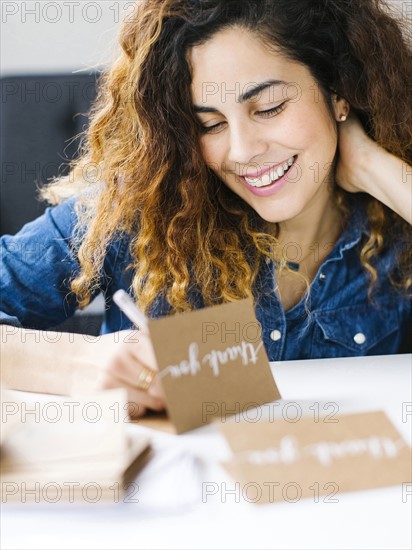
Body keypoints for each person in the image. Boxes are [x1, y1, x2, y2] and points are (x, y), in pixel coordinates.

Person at [1, 0, 411, 418]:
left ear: (336, 90)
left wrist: (376, 169)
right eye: (209, 125)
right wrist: (76, 364)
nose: (243, 151)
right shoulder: (141, 208)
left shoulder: (392, 216)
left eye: (269, 108)